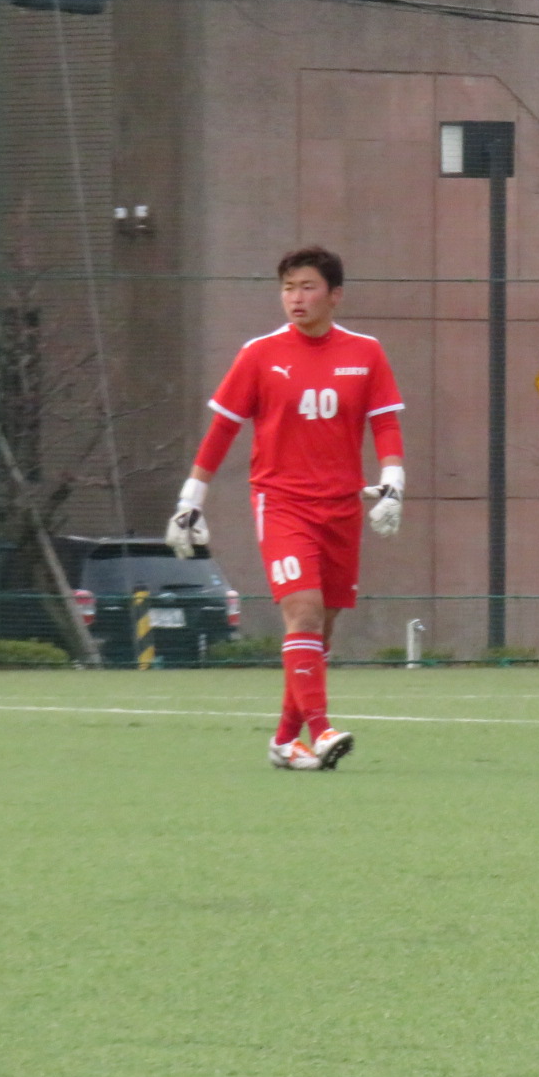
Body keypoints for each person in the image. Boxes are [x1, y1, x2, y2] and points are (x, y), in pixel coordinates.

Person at [166, 246, 406, 771]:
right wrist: (190, 500)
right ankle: (321, 731)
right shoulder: (259, 354)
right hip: (282, 505)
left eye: (307, 287)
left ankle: (283, 740)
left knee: (322, 628)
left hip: (341, 507)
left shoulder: (366, 352)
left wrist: (393, 482)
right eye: (287, 288)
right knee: (303, 611)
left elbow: (385, 423)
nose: (295, 298)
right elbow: (222, 429)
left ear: (335, 295)